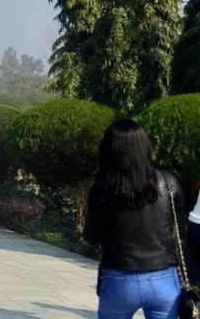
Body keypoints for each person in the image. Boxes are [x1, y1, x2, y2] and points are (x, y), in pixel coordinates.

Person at [84, 119, 188, 319]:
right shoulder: (169, 182)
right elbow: (179, 234)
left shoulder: (101, 186)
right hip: (163, 279)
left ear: (109, 150)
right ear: (145, 146)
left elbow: (90, 236)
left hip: (119, 280)